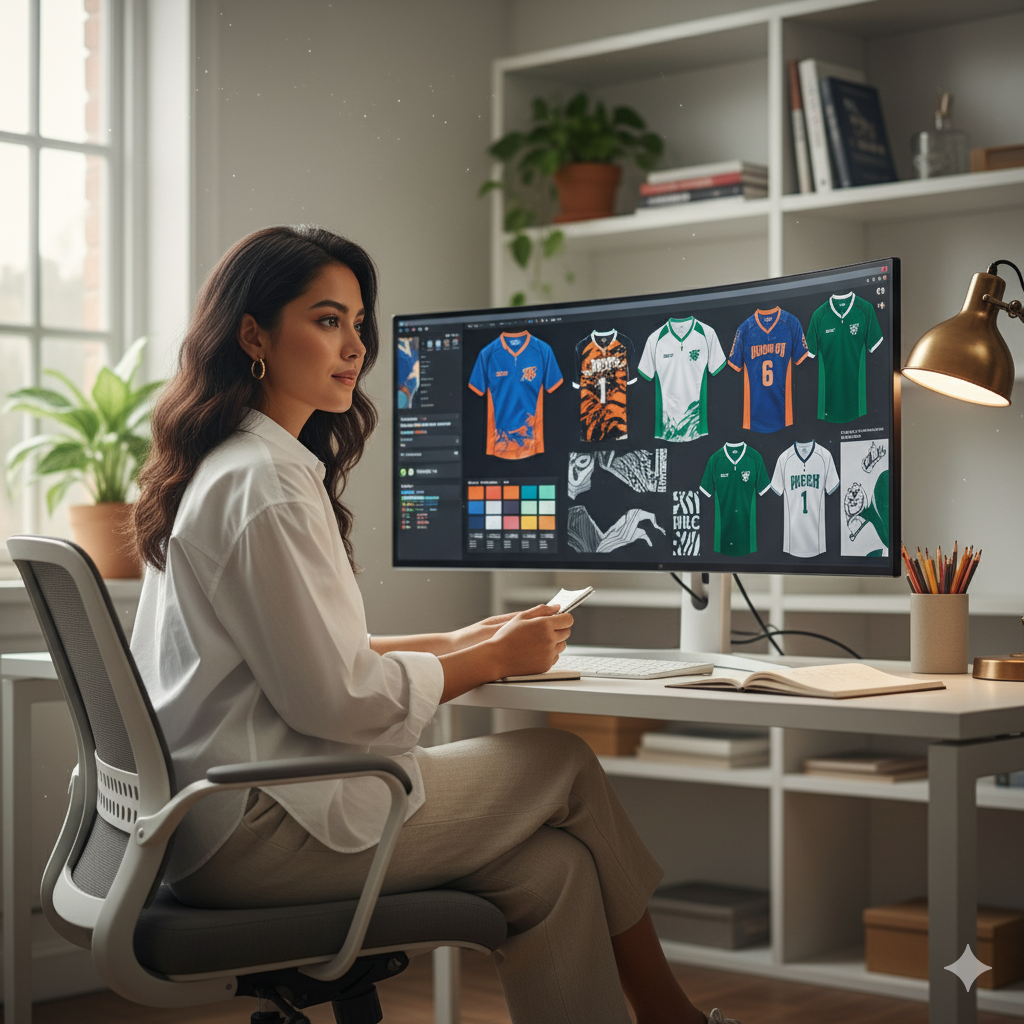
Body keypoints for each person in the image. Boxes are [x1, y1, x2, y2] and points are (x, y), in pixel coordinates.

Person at [130, 225, 740, 1024]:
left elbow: (309, 657)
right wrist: (490, 665)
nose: (354, 347)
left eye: (357, 323)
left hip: (209, 823)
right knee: (563, 760)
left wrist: (469, 641)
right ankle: (672, 1014)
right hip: (256, 830)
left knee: (551, 873)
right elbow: (336, 699)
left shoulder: (235, 466)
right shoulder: (268, 485)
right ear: (253, 334)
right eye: (326, 320)